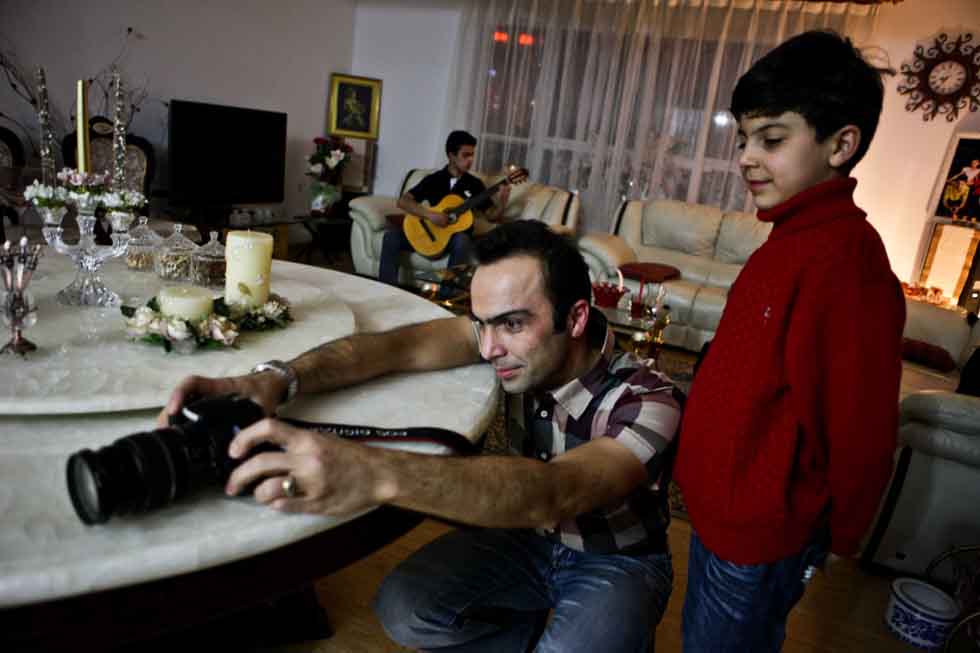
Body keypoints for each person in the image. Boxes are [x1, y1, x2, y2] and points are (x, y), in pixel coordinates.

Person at [160, 220, 683, 652]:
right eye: (482, 325)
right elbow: (394, 349)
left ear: (575, 318)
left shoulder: (648, 400)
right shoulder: (505, 340)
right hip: (526, 542)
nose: (490, 347)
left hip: (615, 559)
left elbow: (553, 492)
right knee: (404, 608)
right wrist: (274, 379)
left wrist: (371, 470)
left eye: (511, 325)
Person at [673, 30, 906, 652]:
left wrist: (842, 532)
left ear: (841, 144)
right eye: (743, 139)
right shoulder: (789, 240)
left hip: (761, 530)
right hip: (724, 514)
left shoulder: (848, 261)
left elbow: (860, 423)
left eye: (772, 140)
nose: (747, 157)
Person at [379, 129, 509, 289]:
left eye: (472, 155)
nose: (470, 160)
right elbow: (403, 202)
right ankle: (386, 289)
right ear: (451, 155)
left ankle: (447, 296)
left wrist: (502, 202)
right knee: (391, 237)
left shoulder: (475, 184)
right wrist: (430, 215)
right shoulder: (433, 179)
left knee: (462, 241)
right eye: (465, 155)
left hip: (453, 240)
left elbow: (491, 216)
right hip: (428, 232)